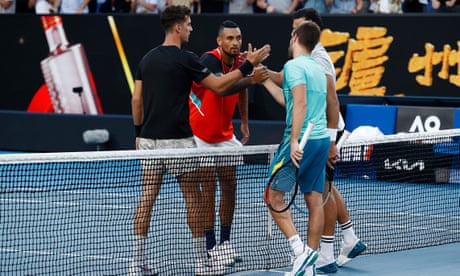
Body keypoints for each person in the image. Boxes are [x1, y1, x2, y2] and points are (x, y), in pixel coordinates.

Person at [129, 5, 270, 276]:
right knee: (194, 199)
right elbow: (218, 87)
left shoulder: (146, 59)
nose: (192, 29)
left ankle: (136, 265)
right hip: (180, 140)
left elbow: (136, 100)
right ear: (179, 26)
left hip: (148, 138)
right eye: (189, 24)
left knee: (147, 198)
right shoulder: (188, 59)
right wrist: (249, 66)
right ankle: (202, 264)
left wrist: (138, 133)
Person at [290, 8, 367, 274]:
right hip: (324, 130)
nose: (293, 33)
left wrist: (331, 140)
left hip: (325, 131)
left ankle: (325, 254)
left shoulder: (318, 60)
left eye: (297, 28)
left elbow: (329, 101)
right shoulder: (309, 57)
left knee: (322, 190)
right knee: (326, 187)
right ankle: (349, 238)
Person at [188, 19, 267, 267]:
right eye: (230, 38)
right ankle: (210, 246)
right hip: (200, 135)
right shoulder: (209, 60)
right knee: (208, 191)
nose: (235, 43)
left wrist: (243, 121)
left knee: (230, 188)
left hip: (225, 135)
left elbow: (240, 89)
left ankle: (225, 242)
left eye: (238, 38)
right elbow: (222, 88)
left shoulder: (241, 63)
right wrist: (249, 73)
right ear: (219, 41)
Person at [263, 20, 329, 276]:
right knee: (314, 201)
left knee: (273, 197)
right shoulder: (317, 69)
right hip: (320, 139)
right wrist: (264, 79)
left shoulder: (293, 66)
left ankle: (300, 251)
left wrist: (293, 142)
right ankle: (309, 268)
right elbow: (288, 100)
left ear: (294, 37)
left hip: (300, 141)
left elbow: (299, 105)